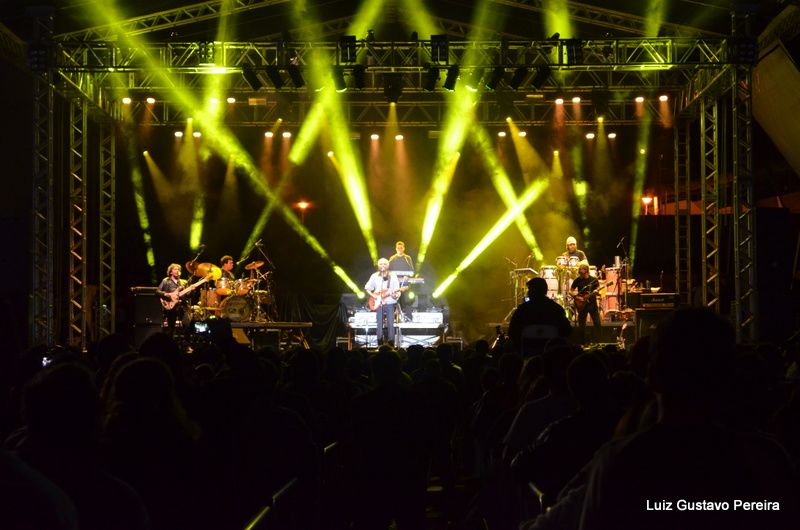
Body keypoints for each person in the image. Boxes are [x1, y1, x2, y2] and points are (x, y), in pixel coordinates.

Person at [508, 277, 572, 355]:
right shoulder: (557, 309)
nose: (528, 293)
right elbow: (567, 331)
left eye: (529, 290)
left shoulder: (522, 310)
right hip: (552, 355)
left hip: (528, 353)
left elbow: (512, 332)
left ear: (533, 291)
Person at [364, 258, 400, 346]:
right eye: (381, 264)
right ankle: (379, 342)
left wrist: (395, 295)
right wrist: (374, 296)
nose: (383, 265)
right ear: (378, 265)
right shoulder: (374, 276)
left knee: (390, 323)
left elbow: (397, 290)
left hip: (390, 302)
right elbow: (367, 288)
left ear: (388, 265)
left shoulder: (393, 276)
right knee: (379, 323)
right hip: (378, 302)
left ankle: (391, 342)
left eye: (384, 264)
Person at [570, 264, 602, 344]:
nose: (580, 275)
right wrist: (577, 297)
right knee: (581, 325)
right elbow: (571, 291)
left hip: (592, 304)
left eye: (582, 273)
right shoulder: (577, 280)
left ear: (587, 271)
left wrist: (597, 291)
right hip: (581, 304)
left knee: (597, 324)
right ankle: (582, 343)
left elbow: (598, 289)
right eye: (580, 273)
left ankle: (597, 342)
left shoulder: (593, 280)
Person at [156, 263, 189, 336]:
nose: (177, 271)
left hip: (182, 306)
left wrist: (191, 290)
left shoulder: (184, 282)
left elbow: (188, 295)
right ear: (171, 272)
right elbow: (157, 292)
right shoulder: (166, 281)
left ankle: (184, 340)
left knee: (186, 324)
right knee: (171, 327)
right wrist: (165, 294)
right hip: (171, 306)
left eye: (178, 269)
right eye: (175, 269)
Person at [388, 241, 416, 319]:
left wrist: (407, 275)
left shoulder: (407, 258)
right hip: (395, 283)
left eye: (401, 248)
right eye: (398, 248)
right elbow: (388, 270)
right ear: (396, 249)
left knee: (406, 299)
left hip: (405, 282)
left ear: (404, 248)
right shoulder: (392, 258)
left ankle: (408, 316)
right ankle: (393, 317)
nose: (399, 249)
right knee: (394, 299)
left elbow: (412, 270)